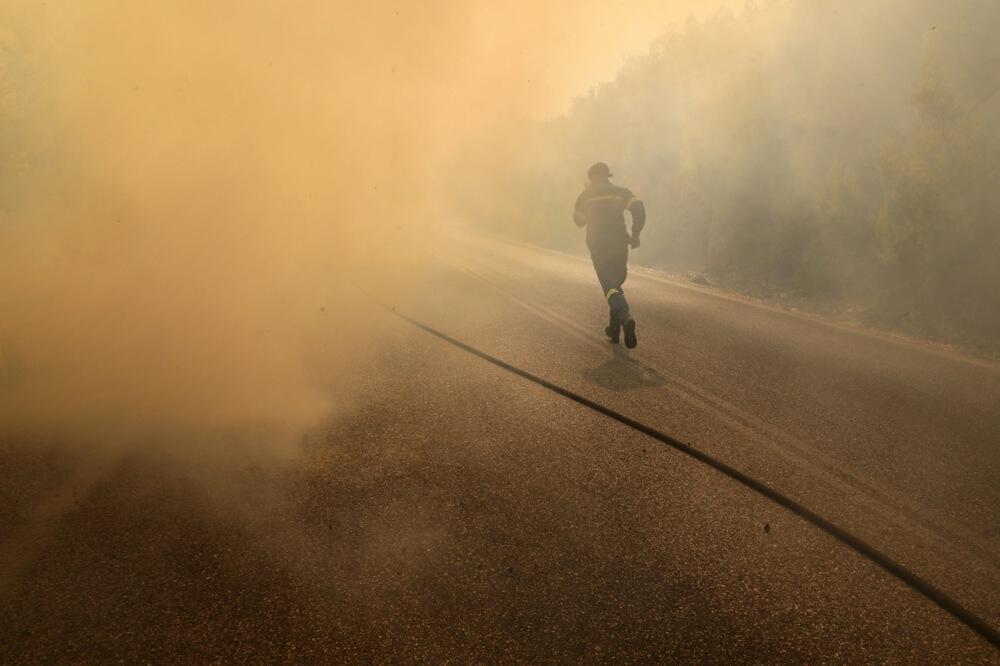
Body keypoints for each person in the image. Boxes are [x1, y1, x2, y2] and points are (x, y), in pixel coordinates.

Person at [573, 162, 645, 349]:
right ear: (607, 176)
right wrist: (635, 233)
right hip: (621, 246)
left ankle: (624, 315)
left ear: (591, 177)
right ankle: (614, 330)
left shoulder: (586, 195)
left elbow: (578, 221)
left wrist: (589, 206)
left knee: (610, 287)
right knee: (615, 283)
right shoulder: (621, 192)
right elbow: (639, 208)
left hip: (599, 248)